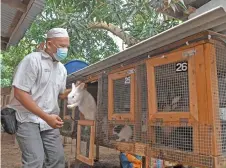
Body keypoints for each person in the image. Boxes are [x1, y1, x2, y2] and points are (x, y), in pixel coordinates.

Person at [8, 28, 71, 168]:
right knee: (35, 160)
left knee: (57, 159)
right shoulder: (32, 60)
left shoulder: (62, 69)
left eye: (67, 46)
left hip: (49, 120)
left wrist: (74, 90)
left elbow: (59, 93)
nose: (65, 50)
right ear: (49, 44)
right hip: (27, 118)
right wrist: (46, 117)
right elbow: (20, 93)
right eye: (61, 46)